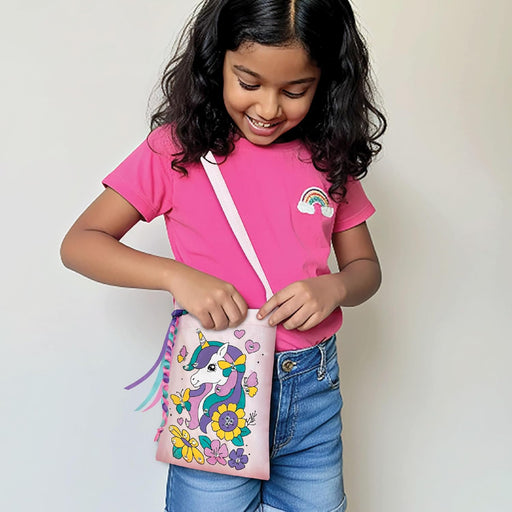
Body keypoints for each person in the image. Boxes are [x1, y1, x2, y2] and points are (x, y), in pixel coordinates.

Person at [61, 0, 386, 510]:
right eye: (249, 82)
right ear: (217, 62)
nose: (269, 108)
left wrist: (336, 286)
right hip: (217, 378)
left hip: (313, 388)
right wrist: (176, 276)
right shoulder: (176, 150)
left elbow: (366, 269)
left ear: (327, 82)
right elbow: (80, 242)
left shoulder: (329, 157)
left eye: (295, 90)